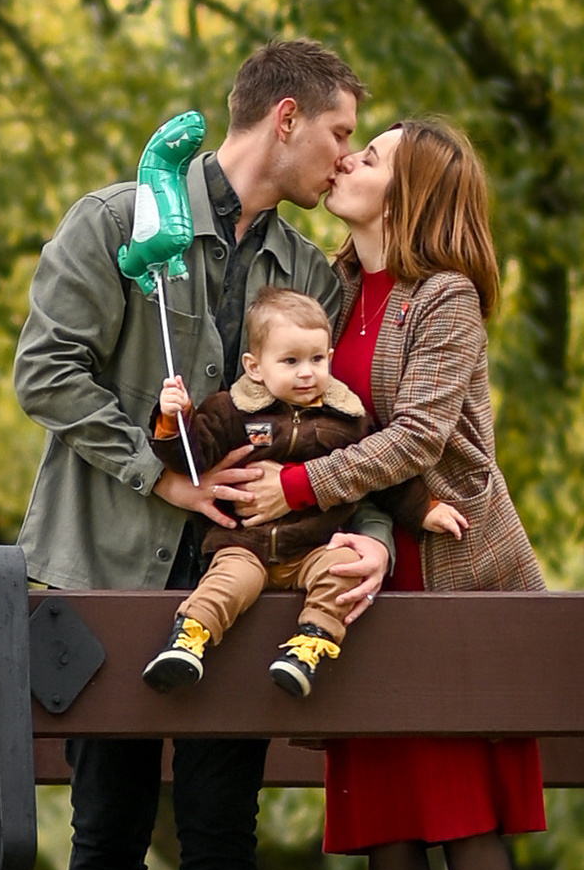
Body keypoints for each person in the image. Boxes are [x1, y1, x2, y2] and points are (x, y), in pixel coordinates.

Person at [14, 41, 392, 870]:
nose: (340, 157)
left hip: (257, 582)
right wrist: (156, 474)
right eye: (334, 134)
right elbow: (43, 368)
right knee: (107, 820)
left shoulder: (309, 271)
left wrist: (363, 529)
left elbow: (346, 417)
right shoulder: (117, 222)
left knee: (227, 825)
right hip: (111, 564)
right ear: (284, 117)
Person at [227, 115, 545, 870]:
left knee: (461, 813)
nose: (350, 160)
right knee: (386, 821)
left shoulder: (440, 299)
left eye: (373, 155)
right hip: (353, 588)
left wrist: (299, 481)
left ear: (409, 196)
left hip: (447, 583)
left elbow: (419, 435)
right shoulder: (329, 293)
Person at [142, 288, 467, 701]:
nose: (307, 373)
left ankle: (309, 644)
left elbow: (382, 477)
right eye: (290, 361)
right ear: (255, 367)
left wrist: (425, 509)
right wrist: (174, 421)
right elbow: (193, 457)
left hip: (313, 544)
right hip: (246, 543)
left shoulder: (345, 420)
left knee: (343, 568)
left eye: (317, 359)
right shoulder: (230, 411)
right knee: (229, 581)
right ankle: (189, 639)